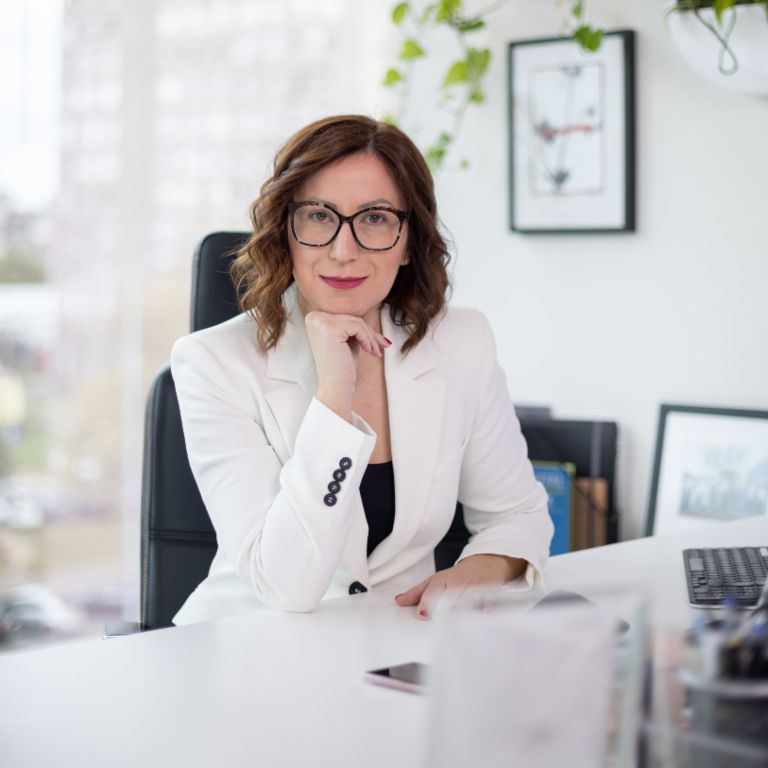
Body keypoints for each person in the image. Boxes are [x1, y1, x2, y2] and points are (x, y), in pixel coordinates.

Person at [171, 114, 553, 625]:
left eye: (374, 218)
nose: (343, 250)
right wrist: (335, 392)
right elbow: (285, 586)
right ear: (285, 232)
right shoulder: (212, 362)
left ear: (409, 241)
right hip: (253, 645)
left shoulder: (462, 343)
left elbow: (518, 514)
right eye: (318, 216)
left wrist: (477, 571)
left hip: (396, 643)